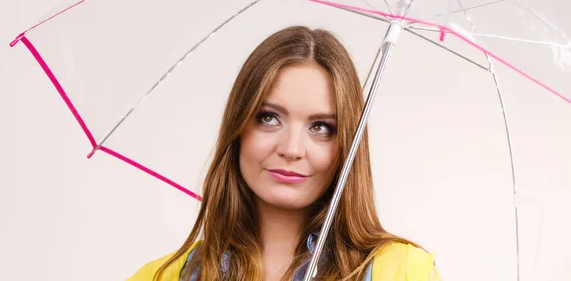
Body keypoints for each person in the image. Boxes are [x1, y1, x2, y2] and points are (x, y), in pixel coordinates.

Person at [127, 26, 442, 280]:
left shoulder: (403, 272)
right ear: (238, 127)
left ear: (345, 144)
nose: (291, 150)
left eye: (320, 127)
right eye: (269, 118)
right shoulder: (160, 276)